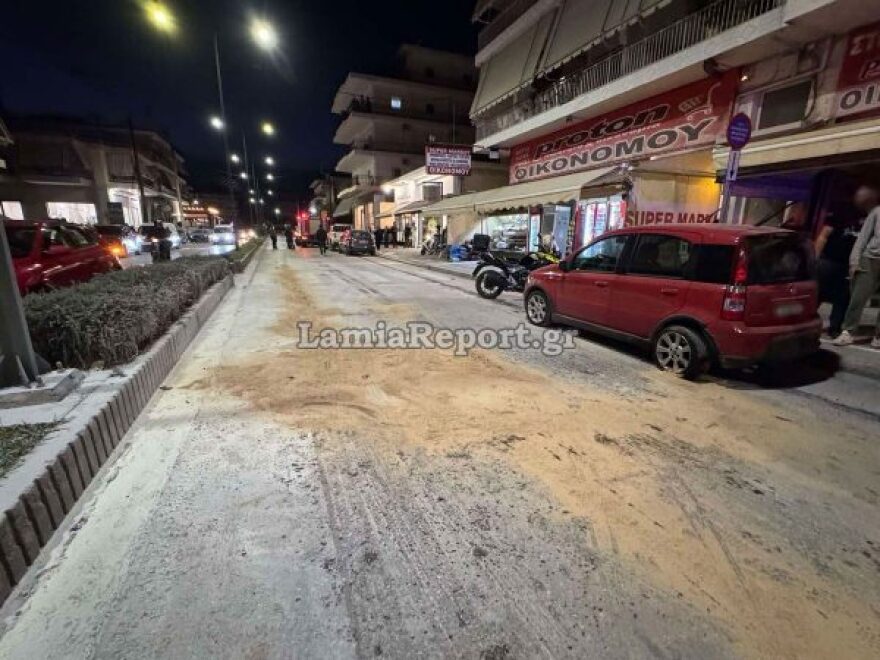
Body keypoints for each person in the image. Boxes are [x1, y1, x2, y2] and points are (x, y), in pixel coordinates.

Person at [834, 185, 880, 348]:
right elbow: (862, 238)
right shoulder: (877, 212)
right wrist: (854, 262)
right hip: (870, 258)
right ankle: (848, 332)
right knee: (858, 297)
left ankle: (878, 337)